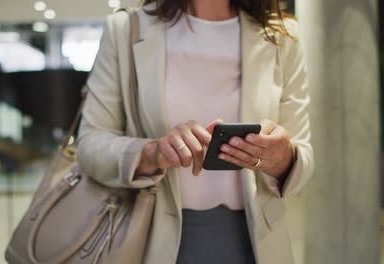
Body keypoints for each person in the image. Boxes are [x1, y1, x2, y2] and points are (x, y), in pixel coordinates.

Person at [76, 0, 314, 263]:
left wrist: (282, 158)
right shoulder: (126, 30)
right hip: (150, 238)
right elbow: (90, 143)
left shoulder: (282, 36)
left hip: (257, 241)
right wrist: (152, 153)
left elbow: (303, 156)